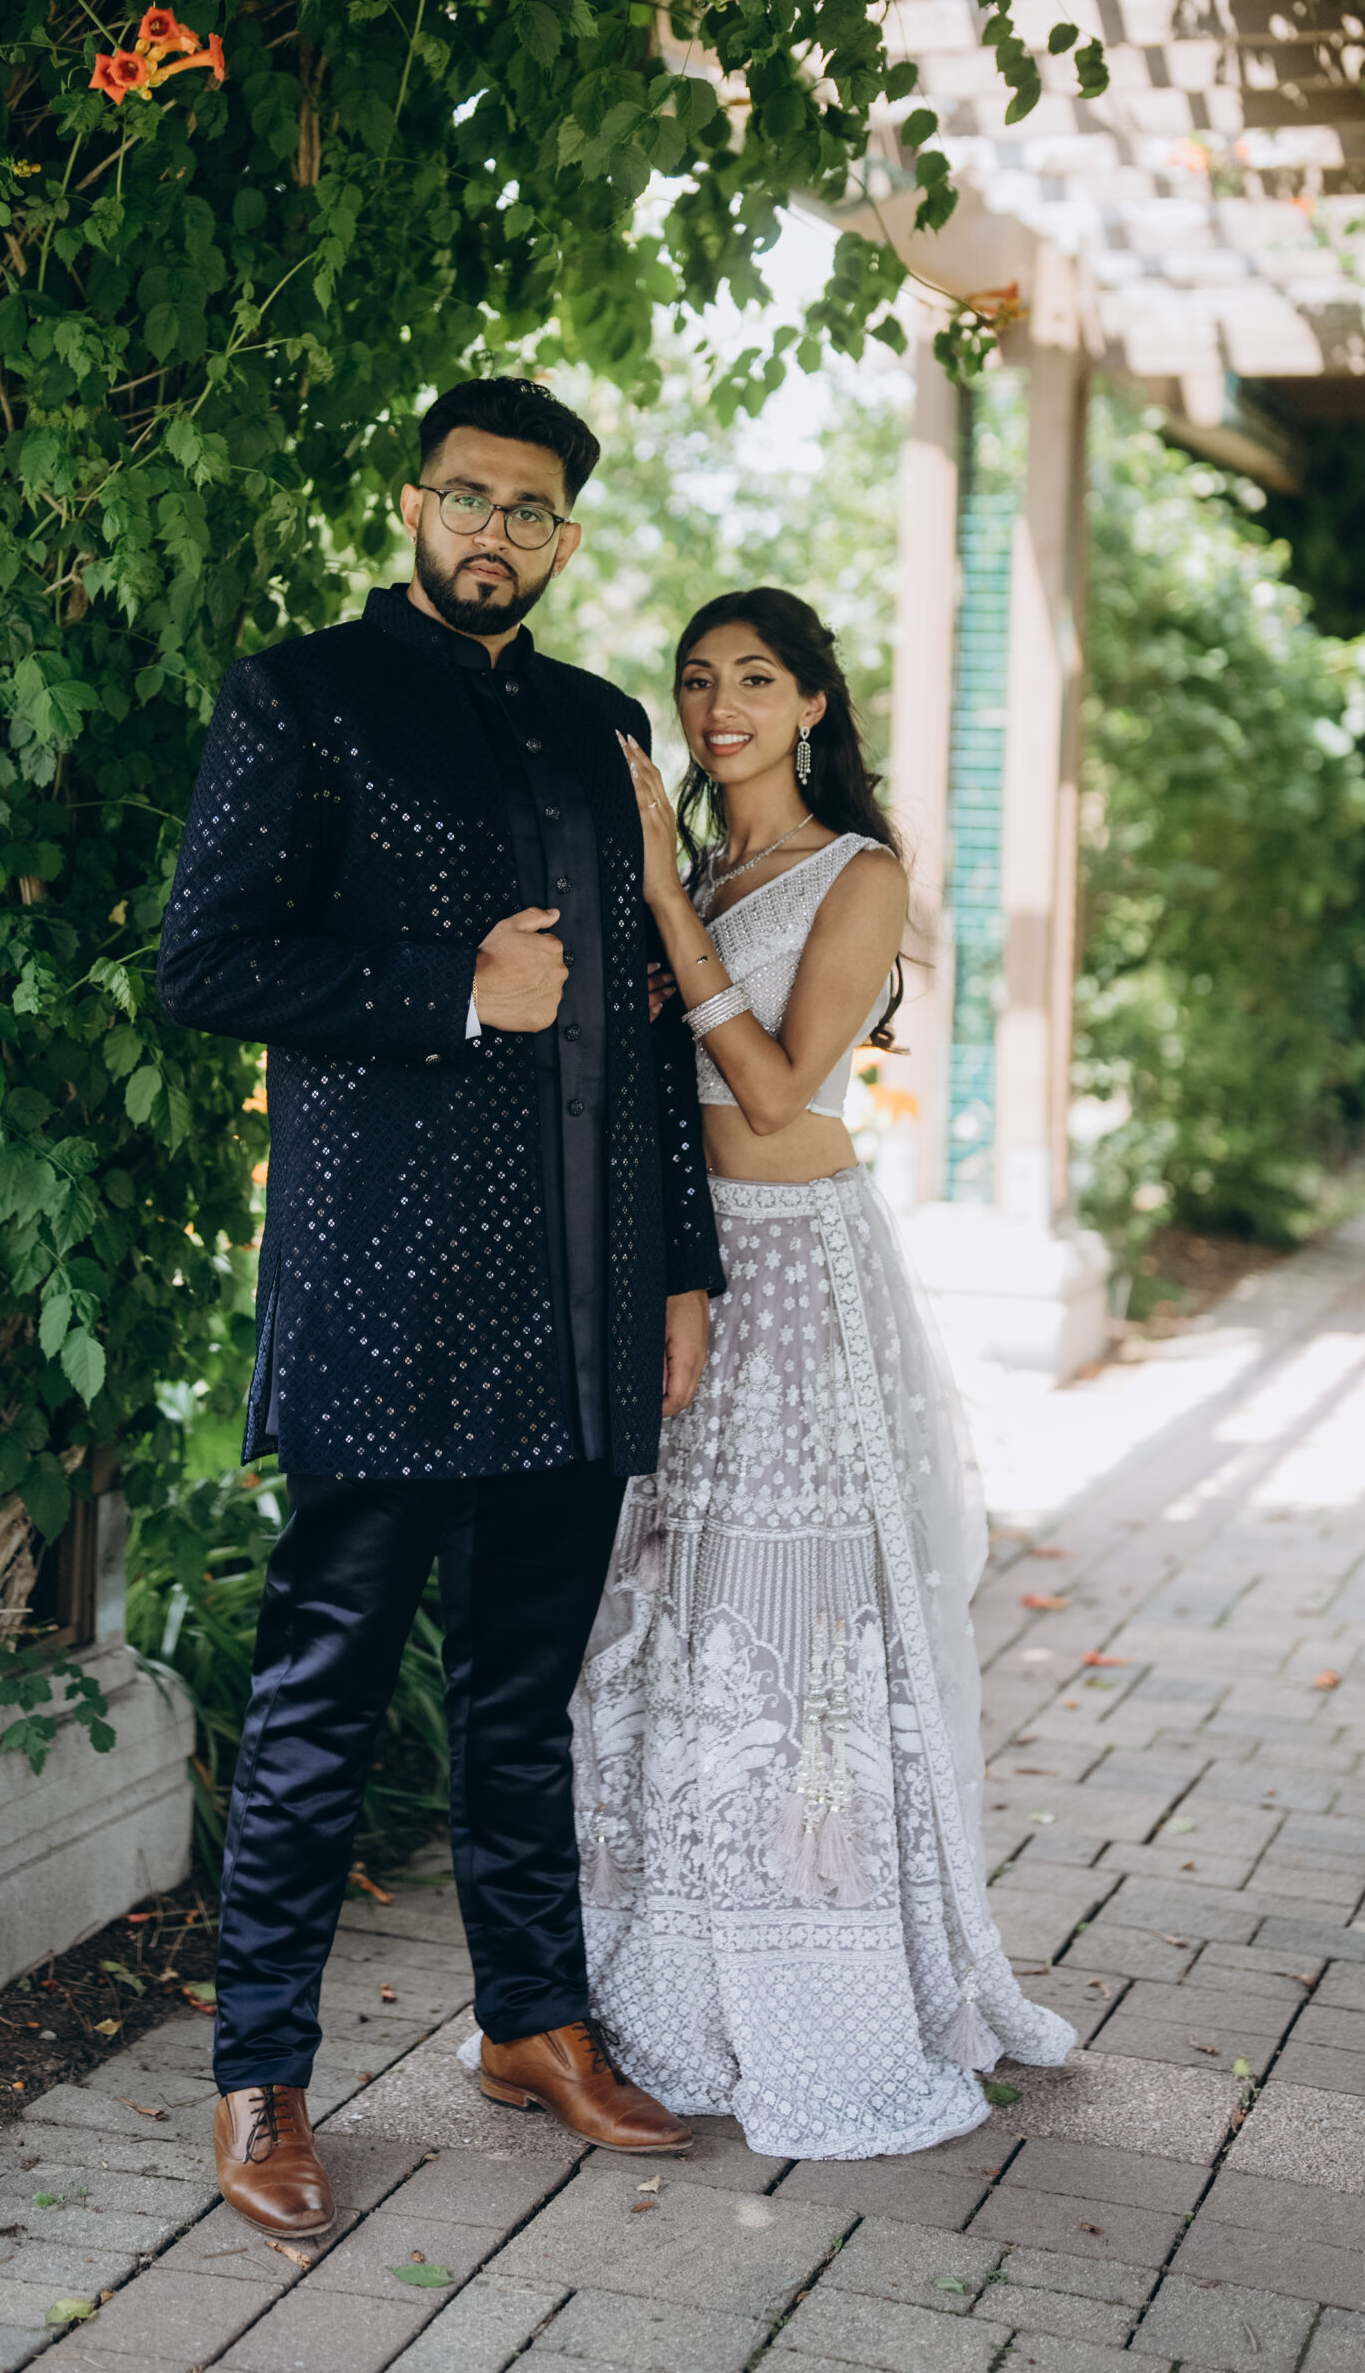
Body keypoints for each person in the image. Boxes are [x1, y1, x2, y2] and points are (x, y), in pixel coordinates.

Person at [157, 375, 726, 2237]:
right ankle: (261, 2074)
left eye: (532, 508)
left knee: (523, 1687)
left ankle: (530, 2021)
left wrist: (683, 1266)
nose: (497, 530)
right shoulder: (301, 696)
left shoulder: (601, 723)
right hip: (388, 1293)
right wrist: (453, 983)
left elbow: (646, 1021)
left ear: (566, 535)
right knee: (320, 1696)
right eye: (469, 496)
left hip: (579, 1288)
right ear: (413, 503)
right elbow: (207, 961)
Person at [569, 587, 1074, 2159]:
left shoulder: (859, 873)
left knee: (790, 1628)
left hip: (793, 1268)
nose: (719, 706)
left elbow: (782, 1091)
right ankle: (665, 1979)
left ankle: (825, 1977)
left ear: (810, 706)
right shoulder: (699, 869)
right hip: (673, 1262)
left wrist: (666, 902)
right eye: (696, 679)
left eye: (754, 678)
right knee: (669, 1612)